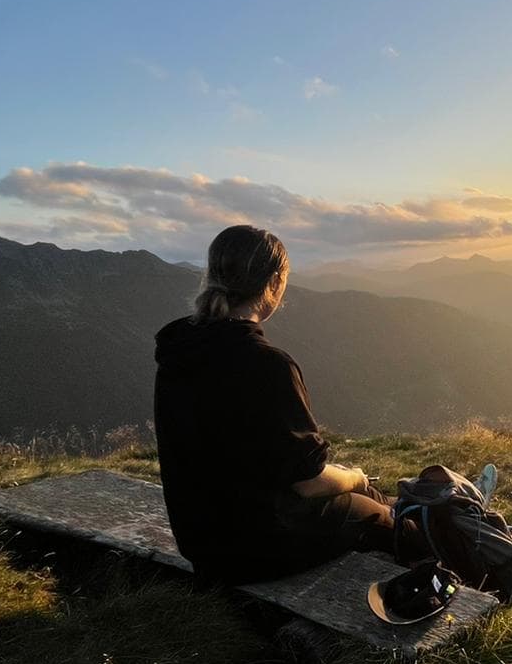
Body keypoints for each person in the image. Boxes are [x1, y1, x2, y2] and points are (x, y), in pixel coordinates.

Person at [153, 224, 400, 585]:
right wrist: (353, 476)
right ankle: (460, 559)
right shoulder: (267, 365)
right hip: (258, 548)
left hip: (203, 544)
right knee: (375, 515)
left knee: (364, 497)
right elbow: (309, 483)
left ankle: (409, 508)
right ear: (273, 284)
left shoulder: (179, 351)